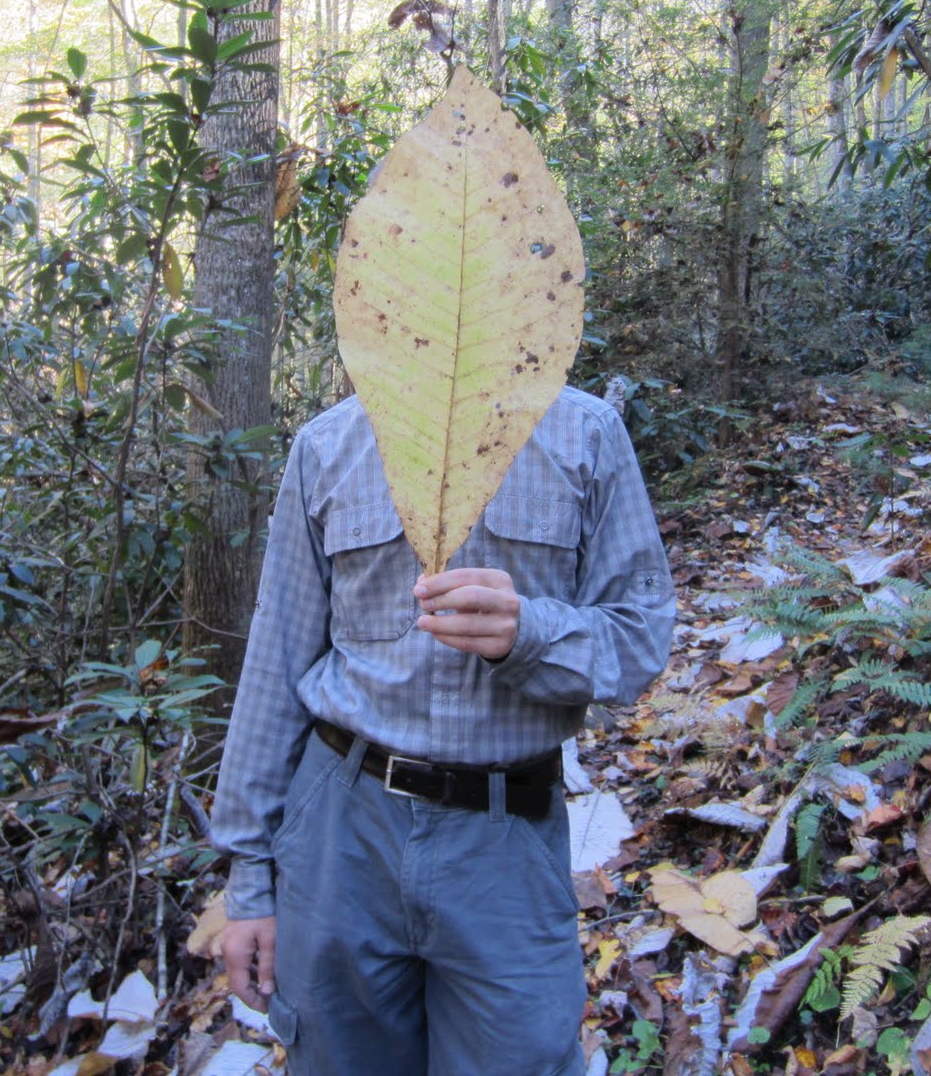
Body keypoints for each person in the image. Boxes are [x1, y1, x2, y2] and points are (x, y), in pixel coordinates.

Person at [210, 384, 675, 1076]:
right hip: (343, 831)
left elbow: (640, 638)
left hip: (506, 843)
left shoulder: (586, 433)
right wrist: (249, 878)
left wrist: (531, 633)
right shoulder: (329, 443)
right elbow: (276, 662)